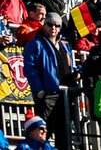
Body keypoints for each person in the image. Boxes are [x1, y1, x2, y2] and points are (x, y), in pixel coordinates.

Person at [22, 12, 74, 150]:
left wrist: (75, 75)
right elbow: (29, 68)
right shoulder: (35, 43)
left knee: (64, 134)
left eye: (57, 25)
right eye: (50, 24)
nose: (53, 28)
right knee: (43, 132)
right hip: (47, 94)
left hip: (64, 93)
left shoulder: (63, 46)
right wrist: (38, 89)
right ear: (44, 26)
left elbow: (67, 67)